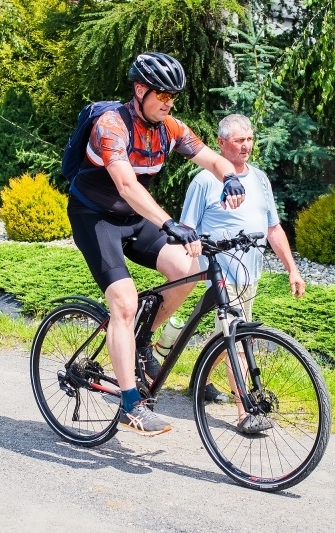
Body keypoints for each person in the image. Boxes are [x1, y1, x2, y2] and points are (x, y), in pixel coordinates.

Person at [67, 52, 246, 436]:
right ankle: (130, 405)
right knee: (124, 302)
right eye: (162, 95)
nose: (168, 103)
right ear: (140, 89)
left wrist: (230, 177)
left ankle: (143, 341)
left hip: (132, 219)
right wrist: (168, 223)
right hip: (94, 218)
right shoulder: (111, 126)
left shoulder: (170, 128)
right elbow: (126, 185)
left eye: (173, 97)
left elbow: (213, 160)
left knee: (187, 268)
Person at [180, 113, 305, 434]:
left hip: (250, 273)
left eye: (249, 139)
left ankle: (197, 376)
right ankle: (244, 411)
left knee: (225, 335)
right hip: (221, 273)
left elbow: (273, 228)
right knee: (236, 338)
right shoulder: (205, 180)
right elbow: (186, 228)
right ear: (221, 143)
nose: (246, 145)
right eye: (239, 140)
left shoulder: (260, 179)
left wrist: (292, 269)